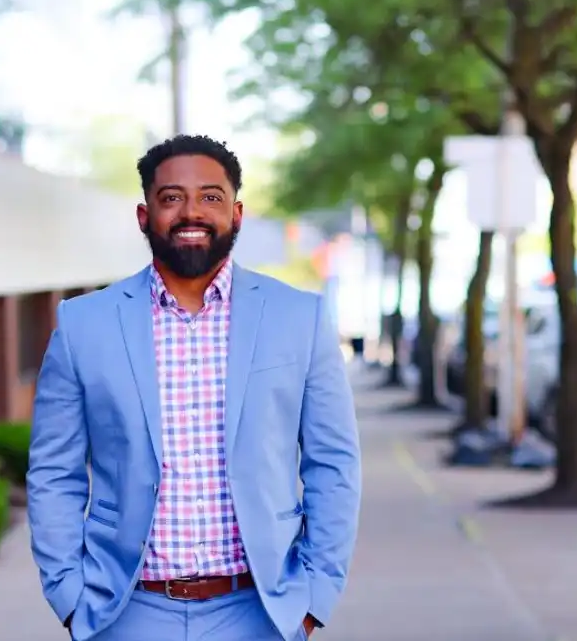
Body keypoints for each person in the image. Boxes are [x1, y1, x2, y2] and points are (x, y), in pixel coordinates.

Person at [28, 134, 361, 641]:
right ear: (145, 216)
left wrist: (314, 599)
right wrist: (70, 597)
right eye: (171, 198)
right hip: (125, 612)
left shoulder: (301, 318)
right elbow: (55, 470)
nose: (192, 212)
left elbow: (333, 463)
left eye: (211, 197)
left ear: (237, 213)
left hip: (260, 612)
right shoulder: (83, 326)